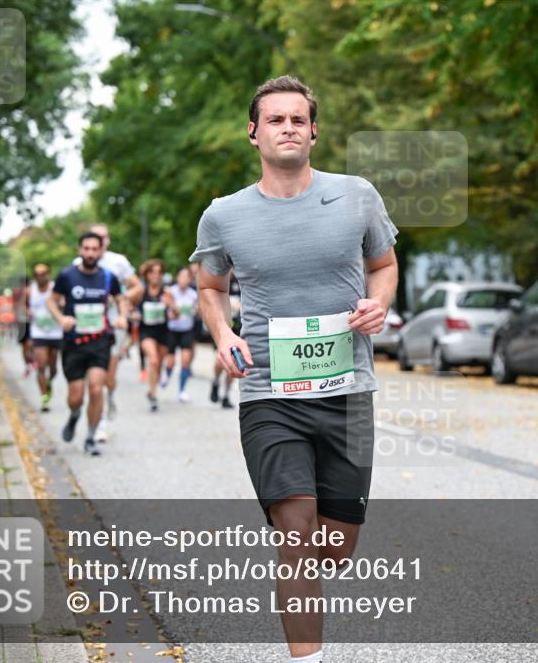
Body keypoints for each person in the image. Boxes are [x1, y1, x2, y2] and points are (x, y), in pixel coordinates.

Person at [190, 75, 398, 663]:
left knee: (335, 546)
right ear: (254, 133)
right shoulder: (224, 215)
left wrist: (378, 302)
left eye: (297, 120)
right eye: (275, 120)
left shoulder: (357, 195)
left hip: (348, 390)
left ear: (313, 131)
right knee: (296, 533)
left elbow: (383, 264)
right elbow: (209, 285)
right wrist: (224, 331)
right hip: (268, 394)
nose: (288, 128)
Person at [49, 232, 129, 456]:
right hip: (74, 343)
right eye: (87, 248)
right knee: (75, 397)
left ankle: (91, 436)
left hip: (99, 342)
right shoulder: (67, 276)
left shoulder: (107, 277)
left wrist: (122, 316)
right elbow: (51, 300)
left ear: (100, 251)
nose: (91, 253)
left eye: (95, 249)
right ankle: (75, 415)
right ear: (80, 250)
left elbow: (121, 299)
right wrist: (61, 319)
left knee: (96, 388)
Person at [74, 223, 142, 427]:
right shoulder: (78, 263)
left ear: (107, 241)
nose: (99, 241)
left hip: (113, 325)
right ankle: (99, 419)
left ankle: (108, 400)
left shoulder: (118, 262)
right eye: (95, 237)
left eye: (103, 238)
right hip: (87, 327)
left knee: (108, 377)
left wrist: (119, 298)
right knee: (93, 378)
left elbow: (138, 288)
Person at [127, 259, 175, 412]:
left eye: (158, 272)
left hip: (163, 330)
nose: (155, 275)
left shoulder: (166, 292)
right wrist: (133, 314)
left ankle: (151, 390)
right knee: (153, 360)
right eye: (152, 272)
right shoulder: (141, 291)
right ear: (147, 275)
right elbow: (129, 307)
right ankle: (154, 395)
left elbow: (177, 313)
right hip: (146, 330)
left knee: (158, 364)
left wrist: (170, 305)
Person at [25, 264, 63, 412]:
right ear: (35, 276)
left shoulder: (56, 289)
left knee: (53, 368)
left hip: (55, 332)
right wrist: (27, 311)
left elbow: (64, 304)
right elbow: (23, 305)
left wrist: (60, 306)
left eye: (44, 273)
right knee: (41, 365)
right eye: (37, 274)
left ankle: (49, 382)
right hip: (39, 332)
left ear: (48, 274)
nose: (41, 276)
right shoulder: (30, 291)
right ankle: (44, 397)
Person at [162, 266, 199, 403]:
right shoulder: (170, 292)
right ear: (177, 278)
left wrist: (197, 309)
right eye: (181, 276)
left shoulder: (193, 294)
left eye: (186, 277)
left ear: (190, 279)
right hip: (172, 330)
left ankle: (182, 391)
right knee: (171, 362)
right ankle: (166, 374)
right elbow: (165, 312)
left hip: (187, 330)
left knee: (185, 361)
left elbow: (197, 310)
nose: (183, 280)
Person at [208, 276, 242, 409]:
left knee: (234, 362)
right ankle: (216, 381)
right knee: (221, 360)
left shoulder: (243, 279)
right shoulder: (219, 279)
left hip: (238, 327)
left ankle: (226, 396)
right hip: (223, 326)